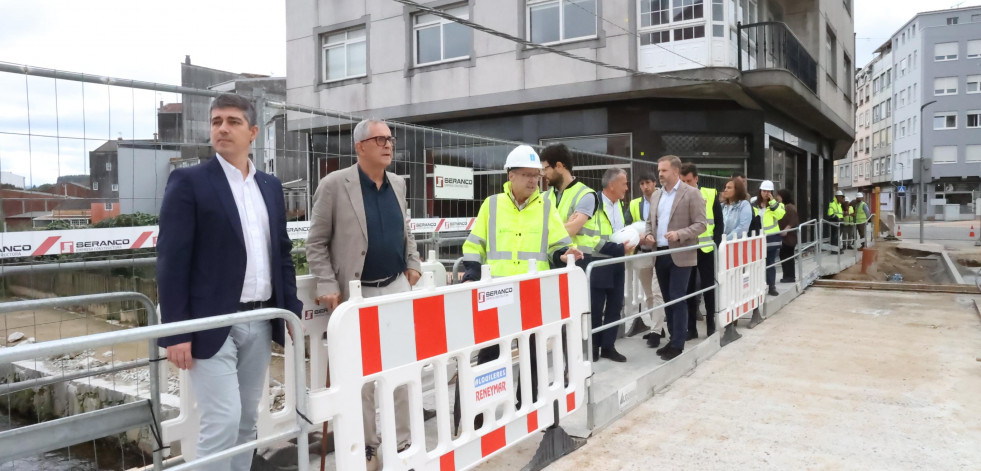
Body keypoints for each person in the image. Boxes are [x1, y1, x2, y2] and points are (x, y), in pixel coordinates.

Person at [157, 93, 303, 471]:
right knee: (221, 420)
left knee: (246, 421)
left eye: (233, 121)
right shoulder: (189, 182)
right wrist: (176, 332)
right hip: (211, 323)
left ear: (252, 131)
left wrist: (290, 309)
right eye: (216, 120)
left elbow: (281, 253)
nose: (222, 128)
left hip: (261, 318)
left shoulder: (270, 186)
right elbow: (172, 261)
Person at [305, 118, 423, 470]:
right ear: (360, 147)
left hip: (397, 288)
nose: (389, 144)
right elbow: (315, 242)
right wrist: (326, 283)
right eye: (380, 139)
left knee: (403, 370)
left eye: (391, 138)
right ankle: (369, 448)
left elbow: (406, 229)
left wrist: (413, 262)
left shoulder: (398, 184)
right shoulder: (335, 185)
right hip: (357, 295)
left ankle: (403, 445)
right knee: (364, 379)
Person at [459, 145, 583, 428]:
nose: (532, 181)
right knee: (491, 354)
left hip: (531, 294)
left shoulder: (546, 207)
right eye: (526, 175)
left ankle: (527, 406)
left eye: (536, 176)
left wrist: (565, 255)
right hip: (495, 294)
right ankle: (482, 415)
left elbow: (560, 244)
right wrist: (472, 271)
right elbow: (474, 244)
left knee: (533, 353)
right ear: (510, 175)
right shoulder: (491, 205)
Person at [639, 155, 707, 360]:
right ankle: (672, 339)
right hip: (660, 254)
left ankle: (678, 343)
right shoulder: (657, 196)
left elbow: (701, 224)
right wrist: (649, 235)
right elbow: (651, 223)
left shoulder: (691, 194)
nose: (660, 174)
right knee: (668, 300)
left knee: (678, 297)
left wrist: (680, 234)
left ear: (676, 172)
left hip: (681, 253)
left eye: (664, 170)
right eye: (659, 170)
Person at [590, 168, 634, 362]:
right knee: (596, 308)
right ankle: (593, 347)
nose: (627, 187)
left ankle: (608, 346)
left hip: (617, 262)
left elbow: (620, 232)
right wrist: (617, 248)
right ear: (612, 185)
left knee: (615, 306)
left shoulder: (618, 205)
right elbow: (590, 238)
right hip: (599, 262)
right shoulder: (594, 203)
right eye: (624, 183)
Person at [679, 163, 723, 339]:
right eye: (683, 181)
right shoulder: (679, 196)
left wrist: (716, 244)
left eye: (689, 181)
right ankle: (691, 328)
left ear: (696, 179)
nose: (686, 184)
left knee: (708, 288)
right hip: (688, 249)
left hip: (706, 249)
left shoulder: (710, 194)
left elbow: (719, 223)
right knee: (689, 289)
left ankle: (711, 324)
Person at [541, 143, 600, 269]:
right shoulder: (544, 197)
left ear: (559, 166)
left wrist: (544, 230)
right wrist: (565, 224)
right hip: (552, 260)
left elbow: (571, 230)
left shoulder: (585, 195)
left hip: (578, 262)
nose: (543, 174)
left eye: (546, 169)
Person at [625, 174, 664, 339]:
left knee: (657, 293)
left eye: (648, 182)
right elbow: (627, 226)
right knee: (649, 293)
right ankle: (657, 328)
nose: (645, 186)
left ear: (654, 183)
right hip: (642, 252)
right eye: (641, 183)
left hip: (660, 251)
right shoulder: (635, 204)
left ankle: (655, 330)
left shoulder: (664, 198)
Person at [755, 181, 786, 297]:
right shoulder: (753, 203)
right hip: (757, 238)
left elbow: (780, 215)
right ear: (760, 191)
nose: (766, 193)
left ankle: (771, 286)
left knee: (770, 263)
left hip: (771, 239)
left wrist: (772, 201)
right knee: (758, 264)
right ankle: (758, 287)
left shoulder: (777, 205)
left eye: (769, 191)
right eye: (764, 191)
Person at [776, 189, 800, 283]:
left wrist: (787, 228)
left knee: (787, 255)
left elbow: (793, 220)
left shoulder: (789, 207)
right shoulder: (785, 206)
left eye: (779, 195)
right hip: (786, 236)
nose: (777, 197)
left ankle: (789, 276)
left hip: (789, 237)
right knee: (785, 255)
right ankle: (787, 276)